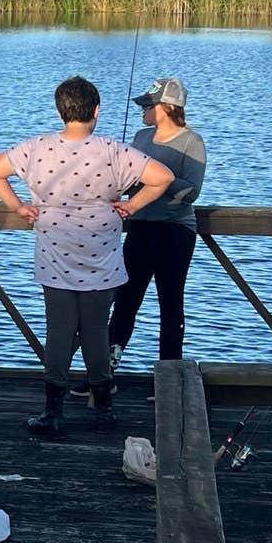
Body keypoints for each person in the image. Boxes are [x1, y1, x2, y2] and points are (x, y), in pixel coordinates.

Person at [0, 75, 176, 437]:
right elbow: (162, 176)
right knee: (97, 334)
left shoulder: (36, 148)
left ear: (60, 111)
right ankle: (103, 412)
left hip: (54, 254)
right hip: (102, 256)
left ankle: (52, 412)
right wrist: (131, 205)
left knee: (58, 333)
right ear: (96, 111)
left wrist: (19, 207)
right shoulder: (113, 151)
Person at [108, 76, 207, 369]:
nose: (142, 110)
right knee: (125, 298)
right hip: (140, 227)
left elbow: (192, 192)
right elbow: (125, 177)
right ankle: (105, 370)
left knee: (171, 302)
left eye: (148, 105)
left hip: (176, 232)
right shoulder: (140, 137)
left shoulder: (192, 141)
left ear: (166, 108)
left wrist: (156, 177)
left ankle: (170, 374)